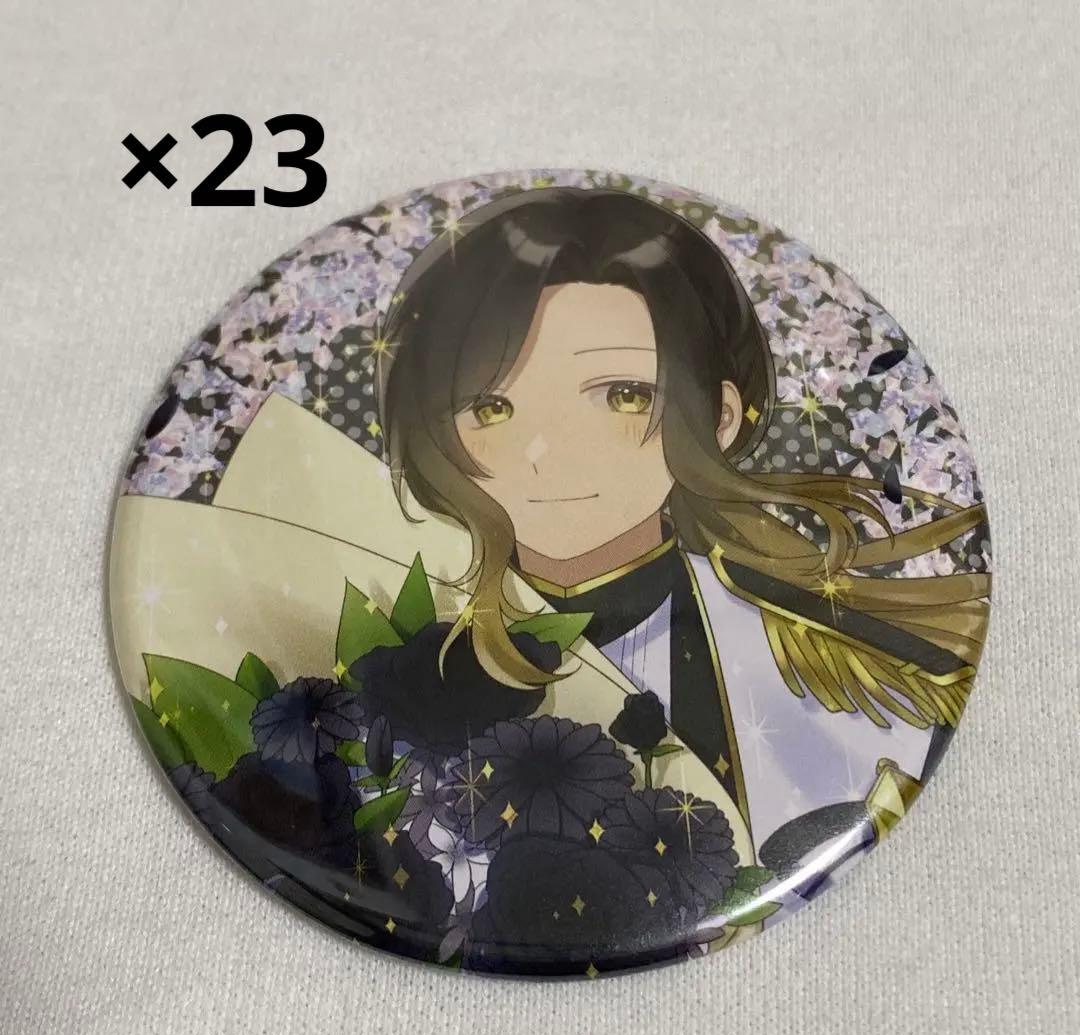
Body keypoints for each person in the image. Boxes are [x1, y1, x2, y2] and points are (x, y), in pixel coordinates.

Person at [375, 186, 990, 883]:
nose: (549, 453)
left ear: (719, 417)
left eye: (623, 395)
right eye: (493, 407)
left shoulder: (843, 687)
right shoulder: (395, 663)